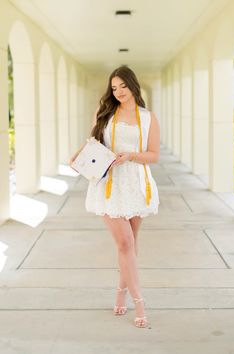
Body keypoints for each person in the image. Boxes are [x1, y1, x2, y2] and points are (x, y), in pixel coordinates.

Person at [70, 65, 160, 328]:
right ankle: (139, 304)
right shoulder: (105, 113)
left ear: (133, 85)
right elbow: (93, 142)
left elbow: (154, 155)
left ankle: (120, 295)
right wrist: (77, 156)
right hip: (109, 184)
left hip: (136, 184)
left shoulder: (147, 117)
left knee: (130, 245)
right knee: (125, 244)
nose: (118, 92)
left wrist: (130, 155)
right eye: (114, 88)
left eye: (122, 86)